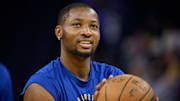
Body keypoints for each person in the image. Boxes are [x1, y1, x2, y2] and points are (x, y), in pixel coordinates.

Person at [20, 3, 159, 101]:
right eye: (77, 25)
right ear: (59, 32)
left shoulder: (114, 76)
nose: (87, 32)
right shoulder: (41, 87)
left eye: (93, 26)